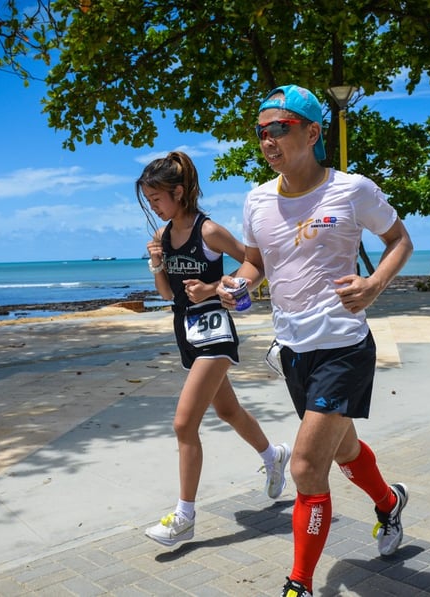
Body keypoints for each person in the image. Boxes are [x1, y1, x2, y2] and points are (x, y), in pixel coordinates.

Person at [218, 86, 414, 596]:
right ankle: (390, 504)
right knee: (343, 449)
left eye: (278, 128)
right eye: (261, 131)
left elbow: (400, 240)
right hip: (293, 351)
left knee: (306, 466)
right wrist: (238, 285)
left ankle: (298, 585)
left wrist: (373, 285)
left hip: (345, 345)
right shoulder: (257, 200)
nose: (267, 140)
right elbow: (256, 263)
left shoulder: (352, 190)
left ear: (311, 132)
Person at [136, 150, 290, 547]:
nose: (154, 208)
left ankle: (184, 516)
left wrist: (214, 288)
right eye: (149, 202)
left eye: (157, 199)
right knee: (228, 410)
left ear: (179, 192)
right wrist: (157, 264)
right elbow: (168, 293)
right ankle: (273, 456)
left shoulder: (209, 232)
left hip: (216, 334)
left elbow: (254, 266)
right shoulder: (163, 237)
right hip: (185, 333)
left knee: (184, 424)